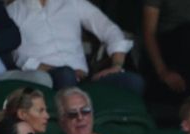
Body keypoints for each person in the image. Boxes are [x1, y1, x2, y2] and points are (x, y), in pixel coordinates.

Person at [7, 0, 137, 93]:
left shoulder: (73, 3)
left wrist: (116, 66)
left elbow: (109, 29)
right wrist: (57, 70)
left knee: (132, 81)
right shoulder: (14, 11)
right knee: (66, 74)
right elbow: (18, 55)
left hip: (84, 80)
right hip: (46, 80)